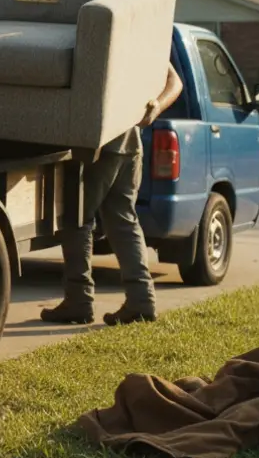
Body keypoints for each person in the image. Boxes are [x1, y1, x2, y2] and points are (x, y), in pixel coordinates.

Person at [40, 62, 184, 327]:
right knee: (123, 220)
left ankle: (79, 300)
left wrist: (155, 107)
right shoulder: (140, 33)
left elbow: (174, 81)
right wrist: (157, 106)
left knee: (77, 219)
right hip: (129, 143)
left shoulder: (108, 27)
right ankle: (141, 300)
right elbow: (175, 82)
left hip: (99, 142)